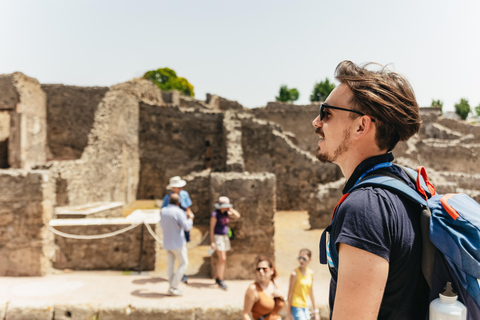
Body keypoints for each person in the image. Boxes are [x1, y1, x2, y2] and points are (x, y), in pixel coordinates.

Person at [312, 60, 429, 319]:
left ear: (361, 126)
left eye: (326, 113)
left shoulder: (364, 208)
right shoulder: (406, 185)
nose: (316, 122)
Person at [159, 193, 194, 296]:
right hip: (178, 243)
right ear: (179, 203)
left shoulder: (163, 211)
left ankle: (171, 287)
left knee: (170, 266)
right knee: (184, 264)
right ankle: (173, 287)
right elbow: (187, 227)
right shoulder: (179, 212)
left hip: (167, 242)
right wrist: (191, 218)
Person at [210, 196, 241, 290]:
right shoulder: (215, 214)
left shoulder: (226, 213)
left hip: (225, 236)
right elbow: (211, 229)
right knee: (222, 258)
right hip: (218, 237)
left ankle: (219, 277)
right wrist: (212, 242)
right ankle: (220, 278)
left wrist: (231, 209)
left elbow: (237, 216)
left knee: (223, 259)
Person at [286, 249, 319, 320]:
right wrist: (288, 314)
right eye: (299, 258)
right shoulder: (294, 274)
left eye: (304, 258)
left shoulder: (310, 273)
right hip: (296, 306)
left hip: (305, 306)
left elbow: (311, 292)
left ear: (310, 259)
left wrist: (316, 310)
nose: (301, 260)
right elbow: (289, 294)